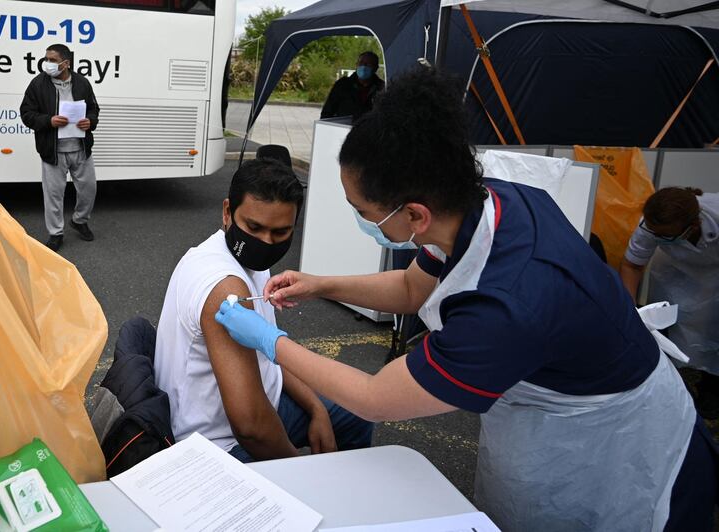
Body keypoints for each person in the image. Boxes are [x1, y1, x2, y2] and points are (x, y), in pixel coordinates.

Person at [215, 67, 718, 531]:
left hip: (610, 442)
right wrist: (322, 284)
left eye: (362, 209)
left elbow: (375, 399)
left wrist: (270, 340)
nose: (362, 220)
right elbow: (415, 288)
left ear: (415, 215)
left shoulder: (505, 308)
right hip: (558, 394)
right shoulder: (486, 202)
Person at [154, 158, 372, 463]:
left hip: (264, 402)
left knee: (356, 409)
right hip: (217, 444)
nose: (265, 242)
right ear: (227, 212)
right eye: (254, 227)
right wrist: (305, 469)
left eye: (281, 232)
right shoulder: (225, 288)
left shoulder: (246, 259)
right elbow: (251, 427)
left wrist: (316, 407)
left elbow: (269, 357)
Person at [620, 187, 719, 419]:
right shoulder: (652, 224)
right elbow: (632, 265)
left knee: (713, 330)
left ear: (691, 228)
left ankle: (711, 387)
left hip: (715, 271)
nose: (653, 234)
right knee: (667, 323)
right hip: (674, 270)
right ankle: (671, 383)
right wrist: (629, 307)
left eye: (663, 235)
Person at [20, 43, 100, 252]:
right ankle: (56, 233)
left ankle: (80, 220)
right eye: (46, 58)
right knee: (54, 195)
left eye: (53, 60)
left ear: (66, 63)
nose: (47, 63)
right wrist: (49, 121)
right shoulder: (37, 84)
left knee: (89, 189)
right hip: (53, 150)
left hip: (81, 149)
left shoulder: (82, 83)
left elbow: (93, 109)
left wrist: (90, 121)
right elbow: (26, 114)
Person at [320, 51, 385, 121]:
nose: (363, 66)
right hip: (344, 129)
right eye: (361, 63)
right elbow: (327, 112)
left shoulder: (382, 88)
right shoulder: (343, 84)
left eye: (368, 64)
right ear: (356, 65)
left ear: (376, 68)